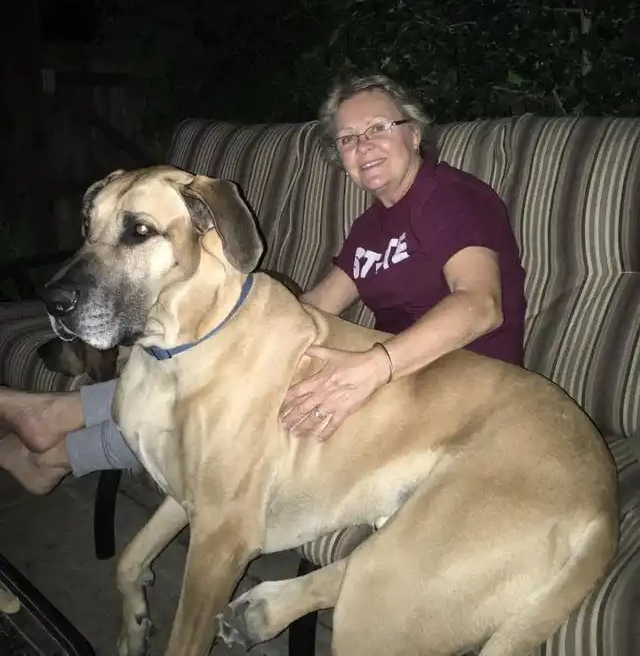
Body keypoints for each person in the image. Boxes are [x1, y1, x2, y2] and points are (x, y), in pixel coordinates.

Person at [0, 73, 526, 494]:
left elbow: (480, 305)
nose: (363, 145)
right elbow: (317, 305)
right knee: (218, 374)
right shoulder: (372, 228)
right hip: (398, 374)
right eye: (347, 138)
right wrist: (229, 334)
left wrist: (374, 366)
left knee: (233, 415)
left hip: (459, 389)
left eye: (378, 128)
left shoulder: (449, 197)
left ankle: (59, 447)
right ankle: (57, 426)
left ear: (413, 132)